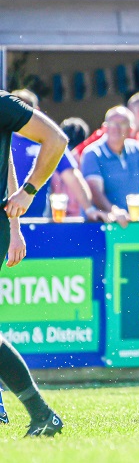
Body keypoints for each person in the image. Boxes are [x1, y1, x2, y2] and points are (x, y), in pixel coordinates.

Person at [0, 90, 67, 436]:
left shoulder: (1, 102)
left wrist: (28, 192)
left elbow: (56, 139)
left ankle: (41, 414)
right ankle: (41, 414)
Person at [9, 90, 100, 221]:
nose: (20, 115)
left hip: (38, 222)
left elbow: (73, 178)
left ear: (37, 112)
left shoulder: (50, 141)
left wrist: (89, 209)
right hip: (4, 223)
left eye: (25, 108)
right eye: (16, 109)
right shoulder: (3, 139)